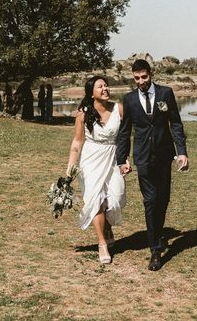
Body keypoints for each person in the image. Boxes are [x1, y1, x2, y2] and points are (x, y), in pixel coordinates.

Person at [116, 59, 189, 271]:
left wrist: (181, 152)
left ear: (151, 74)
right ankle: (155, 249)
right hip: (142, 157)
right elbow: (124, 131)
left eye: (144, 77)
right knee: (150, 200)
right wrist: (122, 159)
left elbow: (175, 123)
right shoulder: (129, 99)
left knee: (163, 199)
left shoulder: (166, 94)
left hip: (164, 155)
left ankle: (157, 233)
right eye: (137, 78)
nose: (141, 82)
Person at [66, 76, 126, 264]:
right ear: (91, 92)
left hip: (113, 158)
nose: (105, 88)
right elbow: (77, 142)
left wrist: (125, 159)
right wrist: (70, 169)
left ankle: (108, 226)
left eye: (106, 85)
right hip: (91, 161)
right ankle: (102, 243)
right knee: (96, 199)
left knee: (115, 199)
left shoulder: (119, 109)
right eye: (100, 86)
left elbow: (125, 137)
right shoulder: (83, 113)